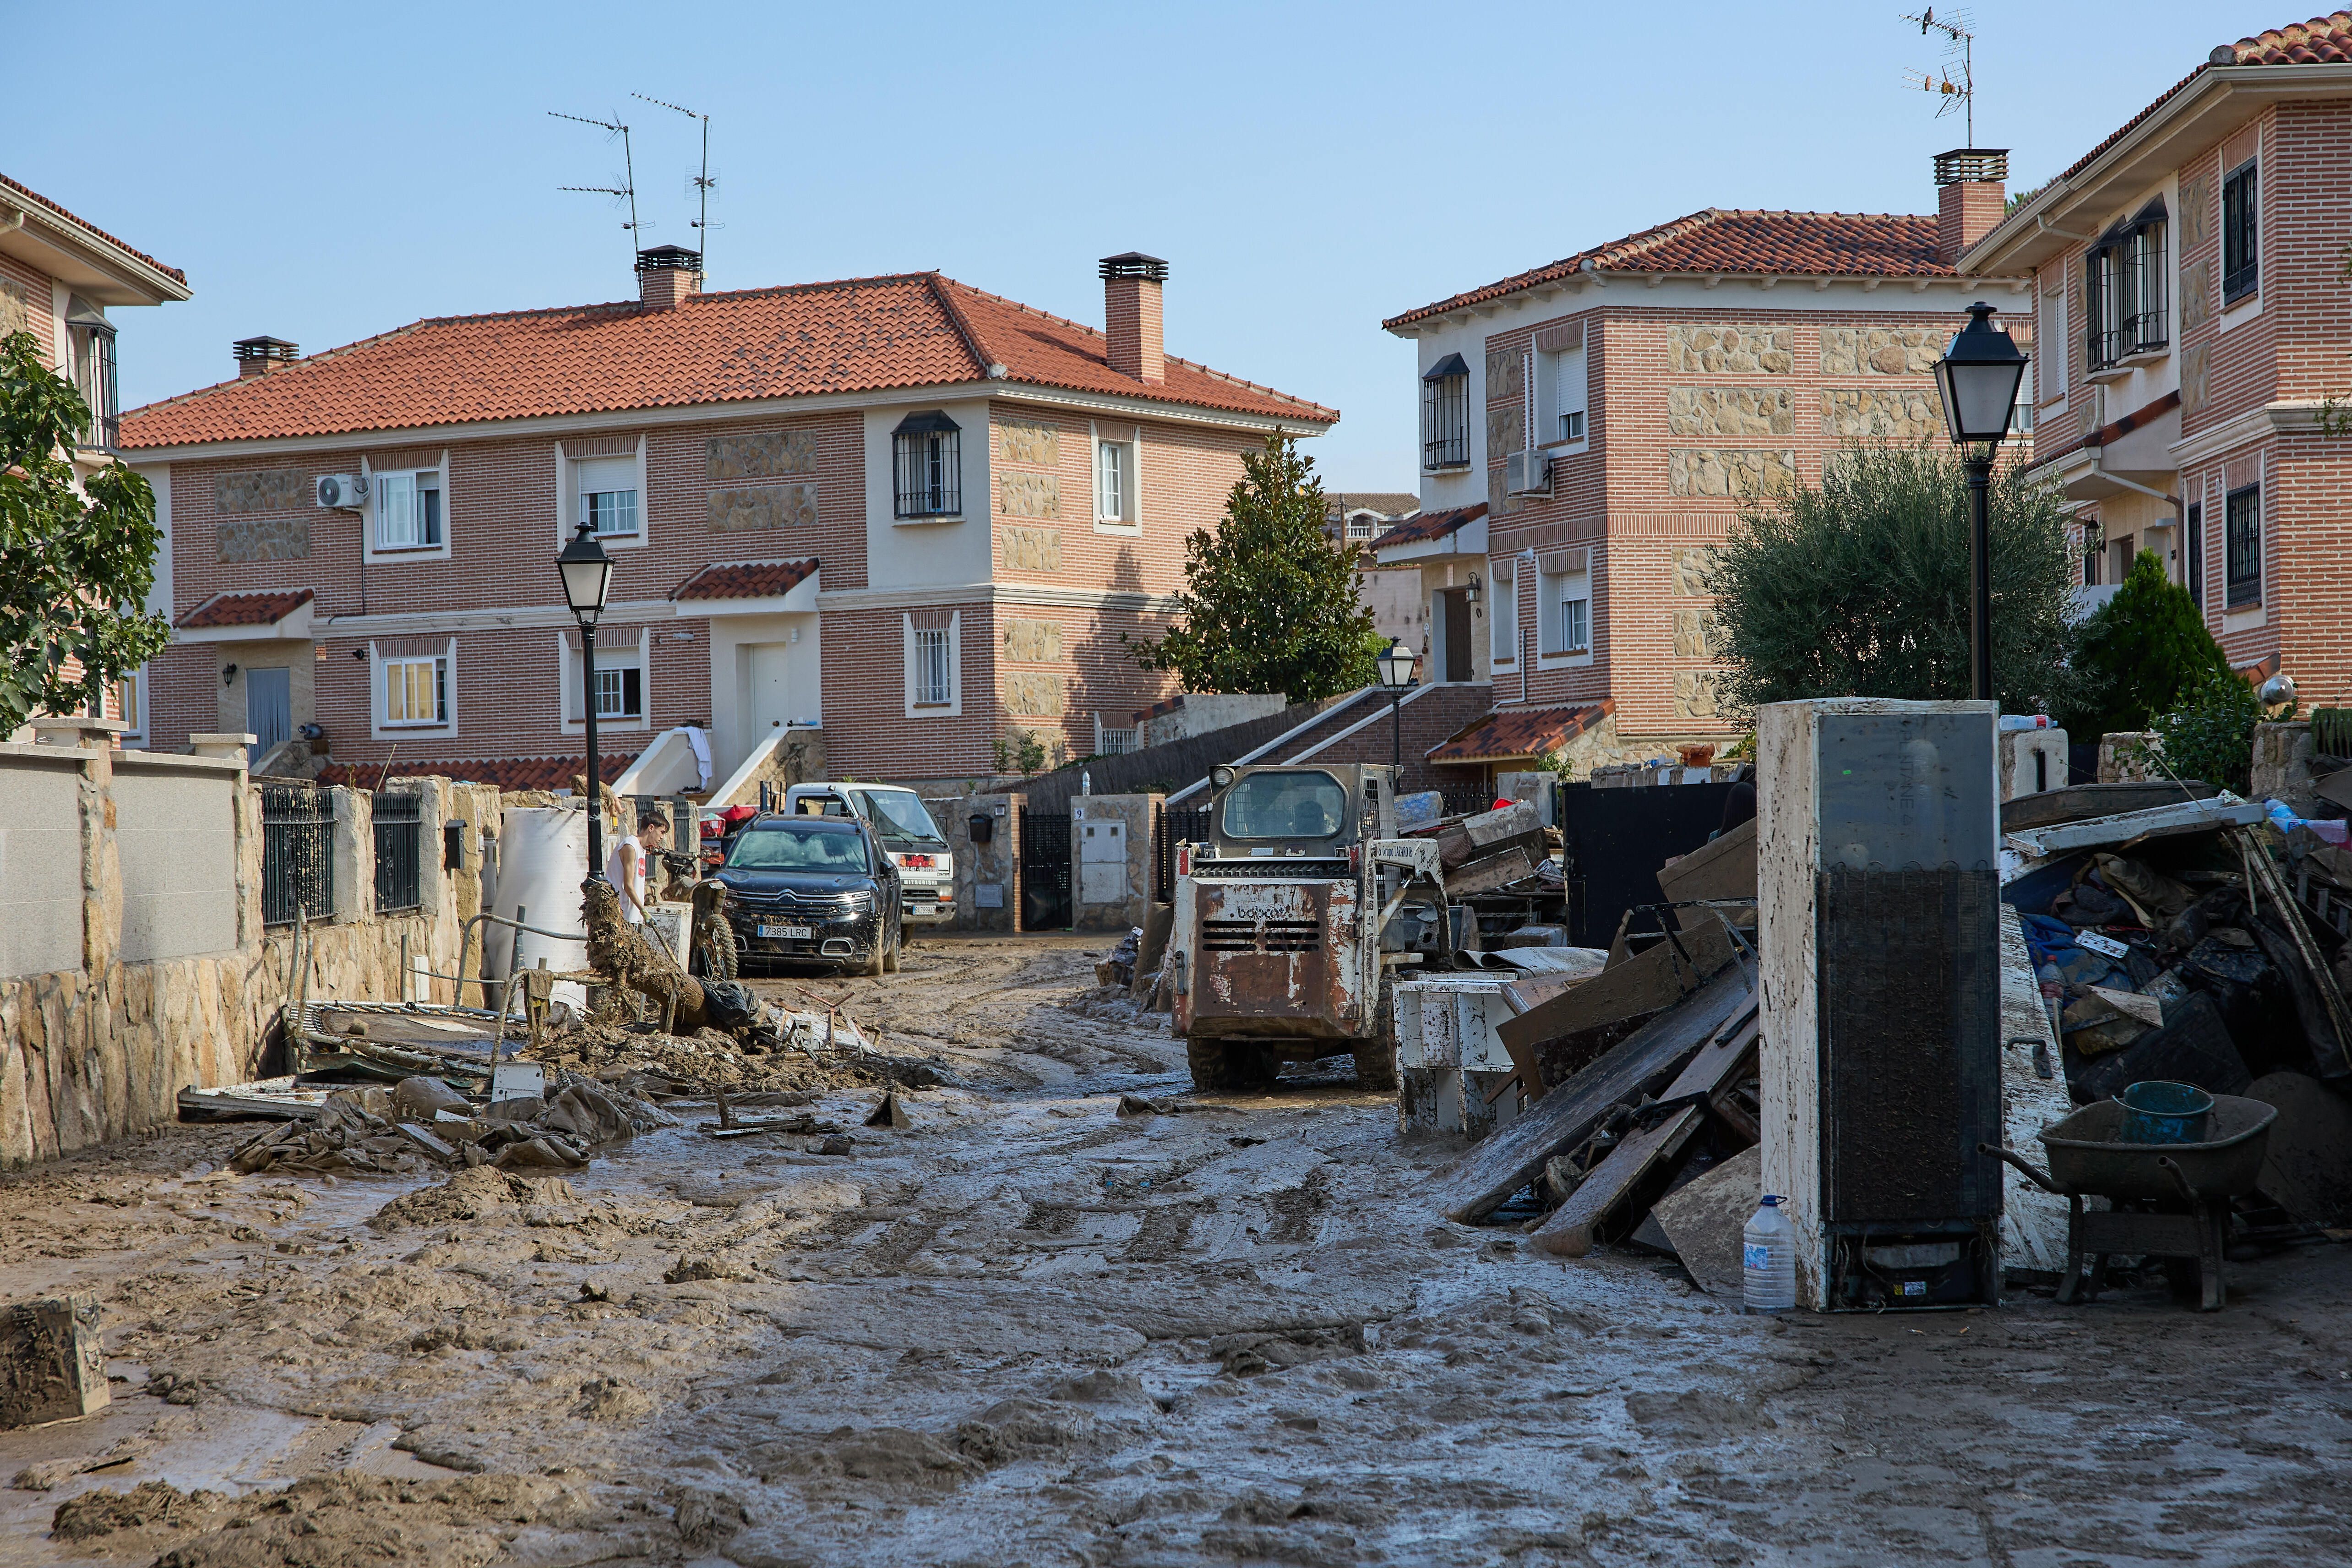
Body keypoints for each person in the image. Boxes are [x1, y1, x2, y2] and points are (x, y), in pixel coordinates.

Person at [607, 812, 670, 926]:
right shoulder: (630, 846)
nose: (662, 837)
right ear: (651, 828)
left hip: (634, 916)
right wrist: (643, 911)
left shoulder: (642, 849)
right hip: (622, 915)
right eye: (662, 832)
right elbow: (628, 885)